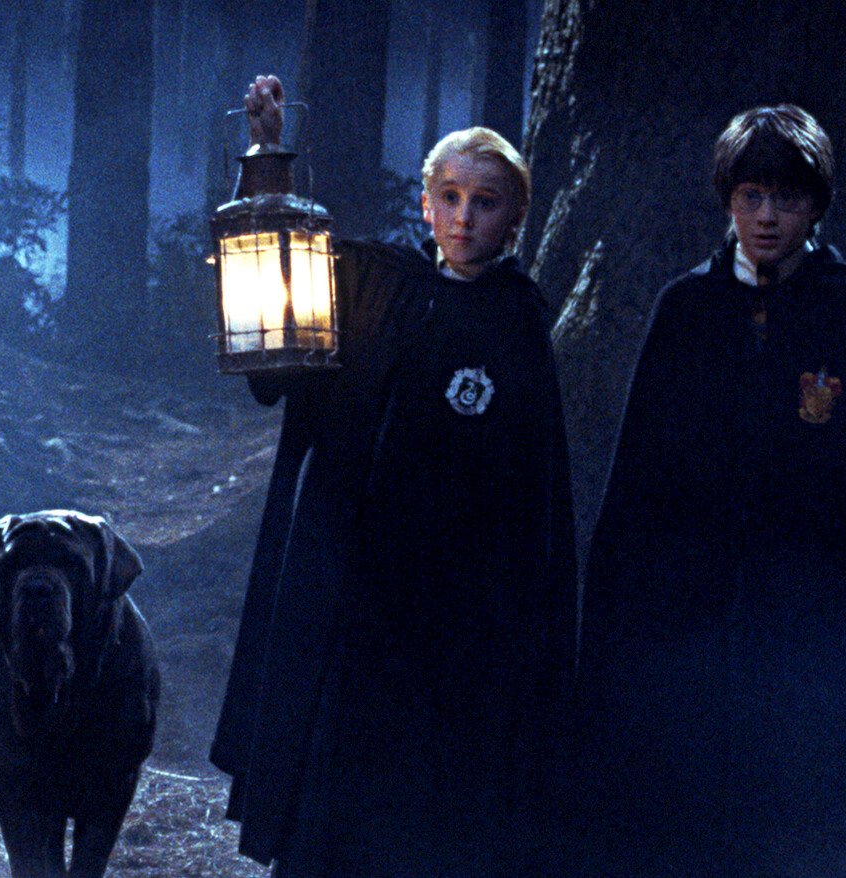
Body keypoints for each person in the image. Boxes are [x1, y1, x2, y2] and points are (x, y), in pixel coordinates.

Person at [210, 75, 577, 877]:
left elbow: (530, 493)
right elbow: (272, 323)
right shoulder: (369, 282)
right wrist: (266, 154)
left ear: (515, 219)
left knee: (425, 795)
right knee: (334, 772)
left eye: (485, 202)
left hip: (451, 610)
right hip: (349, 586)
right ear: (425, 206)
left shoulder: (517, 321)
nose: (464, 217)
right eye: (450, 197)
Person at [578, 103, 846, 875]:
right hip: (695, 624)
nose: (767, 217)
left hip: (814, 629)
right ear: (729, 200)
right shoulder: (687, 310)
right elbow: (639, 476)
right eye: (751, 196)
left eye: (787, 198)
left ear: (816, 205)